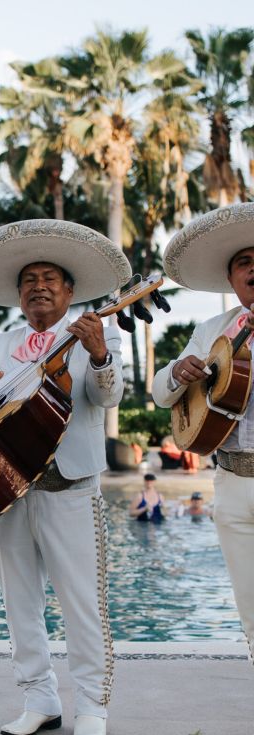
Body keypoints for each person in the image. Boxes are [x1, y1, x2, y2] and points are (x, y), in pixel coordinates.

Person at [0, 219, 130, 735]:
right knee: (19, 602)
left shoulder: (98, 331)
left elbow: (108, 396)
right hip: (3, 490)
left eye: (50, 277)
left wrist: (98, 355)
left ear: (70, 291)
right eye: (29, 279)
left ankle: (93, 705)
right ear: (18, 294)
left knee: (82, 601)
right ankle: (38, 700)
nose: (39, 286)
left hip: (70, 485)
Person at [152, 203, 254, 664]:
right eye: (244, 263)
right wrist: (179, 371)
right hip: (230, 484)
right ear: (231, 279)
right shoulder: (212, 329)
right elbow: (160, 394)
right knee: (250, 611)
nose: (253, 270)